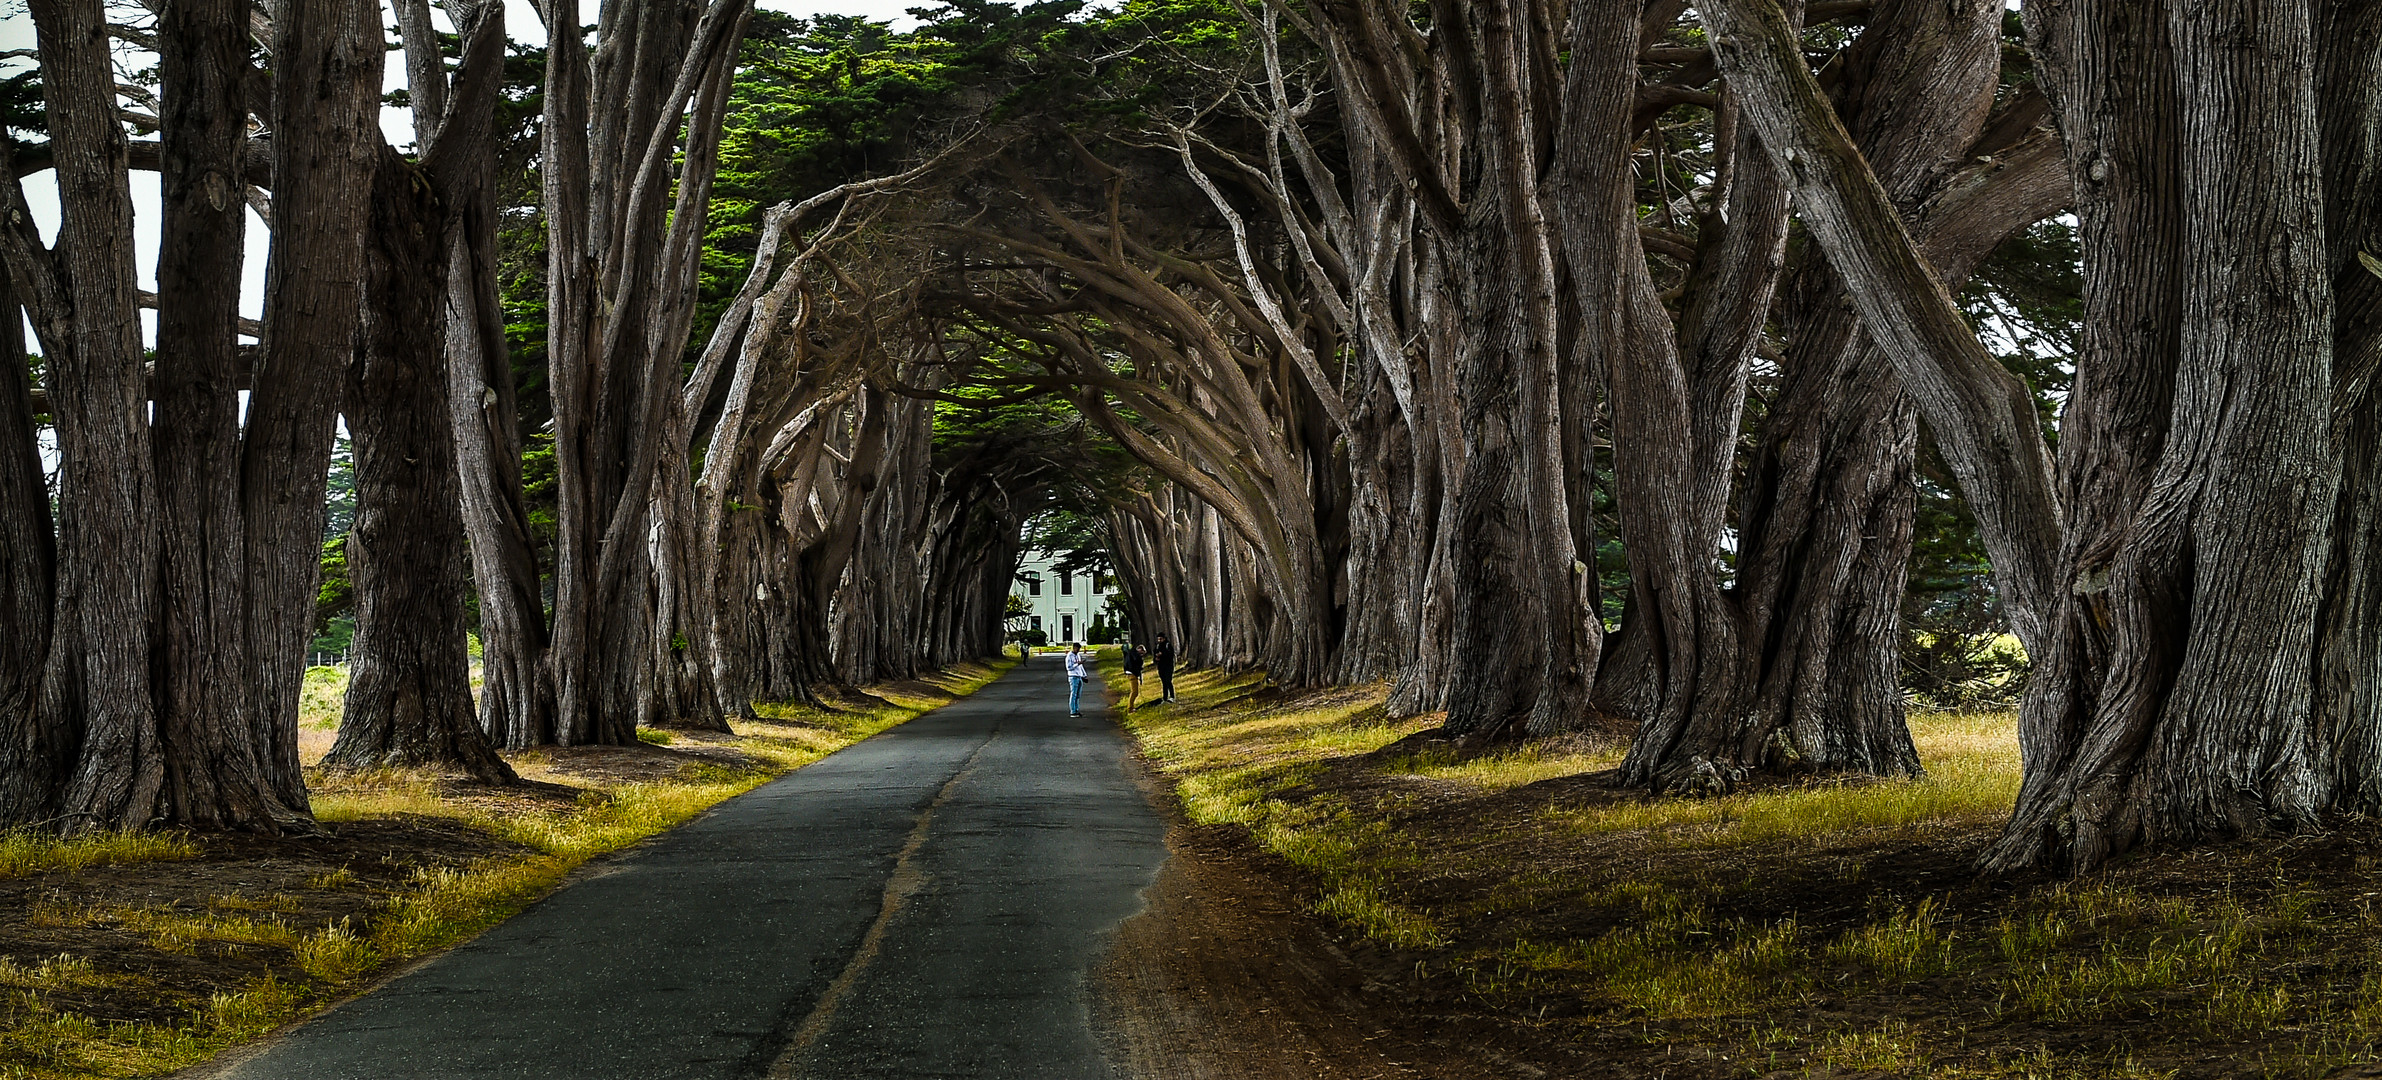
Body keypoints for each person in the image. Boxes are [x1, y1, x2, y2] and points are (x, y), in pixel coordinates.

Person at [1064, 642, 1092, 717]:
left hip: (1079, 676)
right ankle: (1072, 711)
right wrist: (1077, 664)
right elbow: (1069, 667)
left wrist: (1084, 675)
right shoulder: (1069, 656)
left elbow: (1081, 667)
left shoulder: (1078, 655)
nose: (1078, 650)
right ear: (1074, 648)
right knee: (1073, 694)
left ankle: (1077, 709)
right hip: (1073, 676)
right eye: (1077, 649)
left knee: (1078, 695)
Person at [1122, 643, 1148, 712]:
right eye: (1142, 653)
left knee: (1134, 692)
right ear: (1140, 650)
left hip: (1129, 673)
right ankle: (1130, 708)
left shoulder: (1129, 653)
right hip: (1132, 674)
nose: (1142, 655)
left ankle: (1131, 706)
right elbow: (1137, 661)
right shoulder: (1134, 654)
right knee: (1134, 692)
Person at [1152, 633, 1177, 703]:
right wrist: (1156, 658)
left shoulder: (1168, 645)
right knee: (1163, 682)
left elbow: (1171, 654)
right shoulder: (1157, 646)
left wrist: (1163, 654)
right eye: (1158, 639)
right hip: (1161, 666)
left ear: (1164, 638)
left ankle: (1172, 696)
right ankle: (1165, 697)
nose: (1159, 640)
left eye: (1161, 639)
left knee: (1168, 681)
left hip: (1168, 666)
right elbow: (1154, 655)